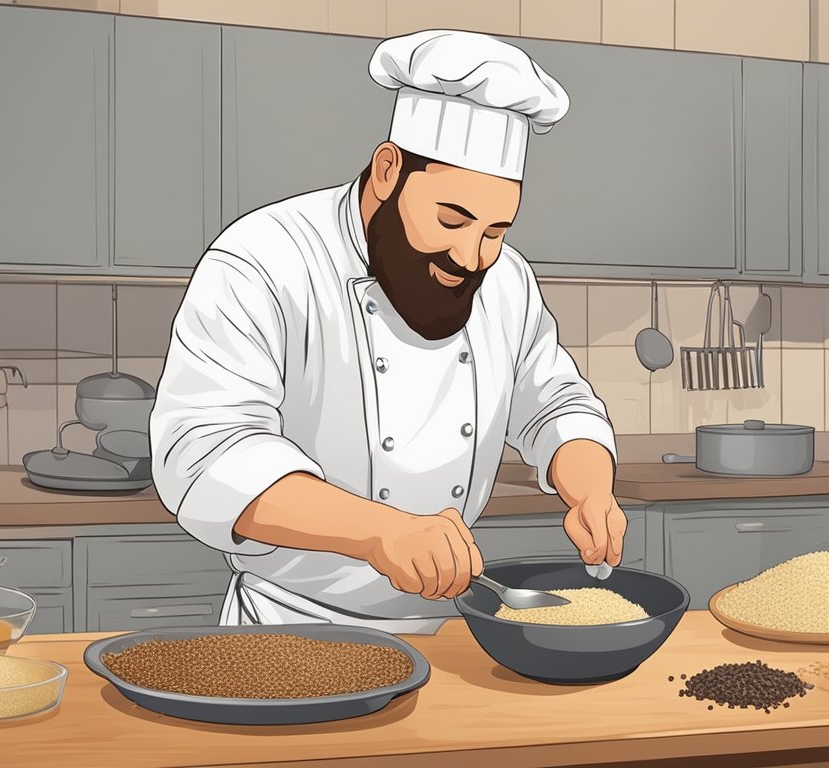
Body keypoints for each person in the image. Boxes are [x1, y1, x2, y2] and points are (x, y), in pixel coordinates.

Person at [149, 29, 623, 633]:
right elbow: (206, 451)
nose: (471, 256)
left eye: (495, 230)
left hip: (447, 626)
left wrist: (589, 489)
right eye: (451, 218)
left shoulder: (507, 279)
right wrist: (379, 531)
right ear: (387, 169)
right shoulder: (265, 258)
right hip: (287, 628)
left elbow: (554, 402)